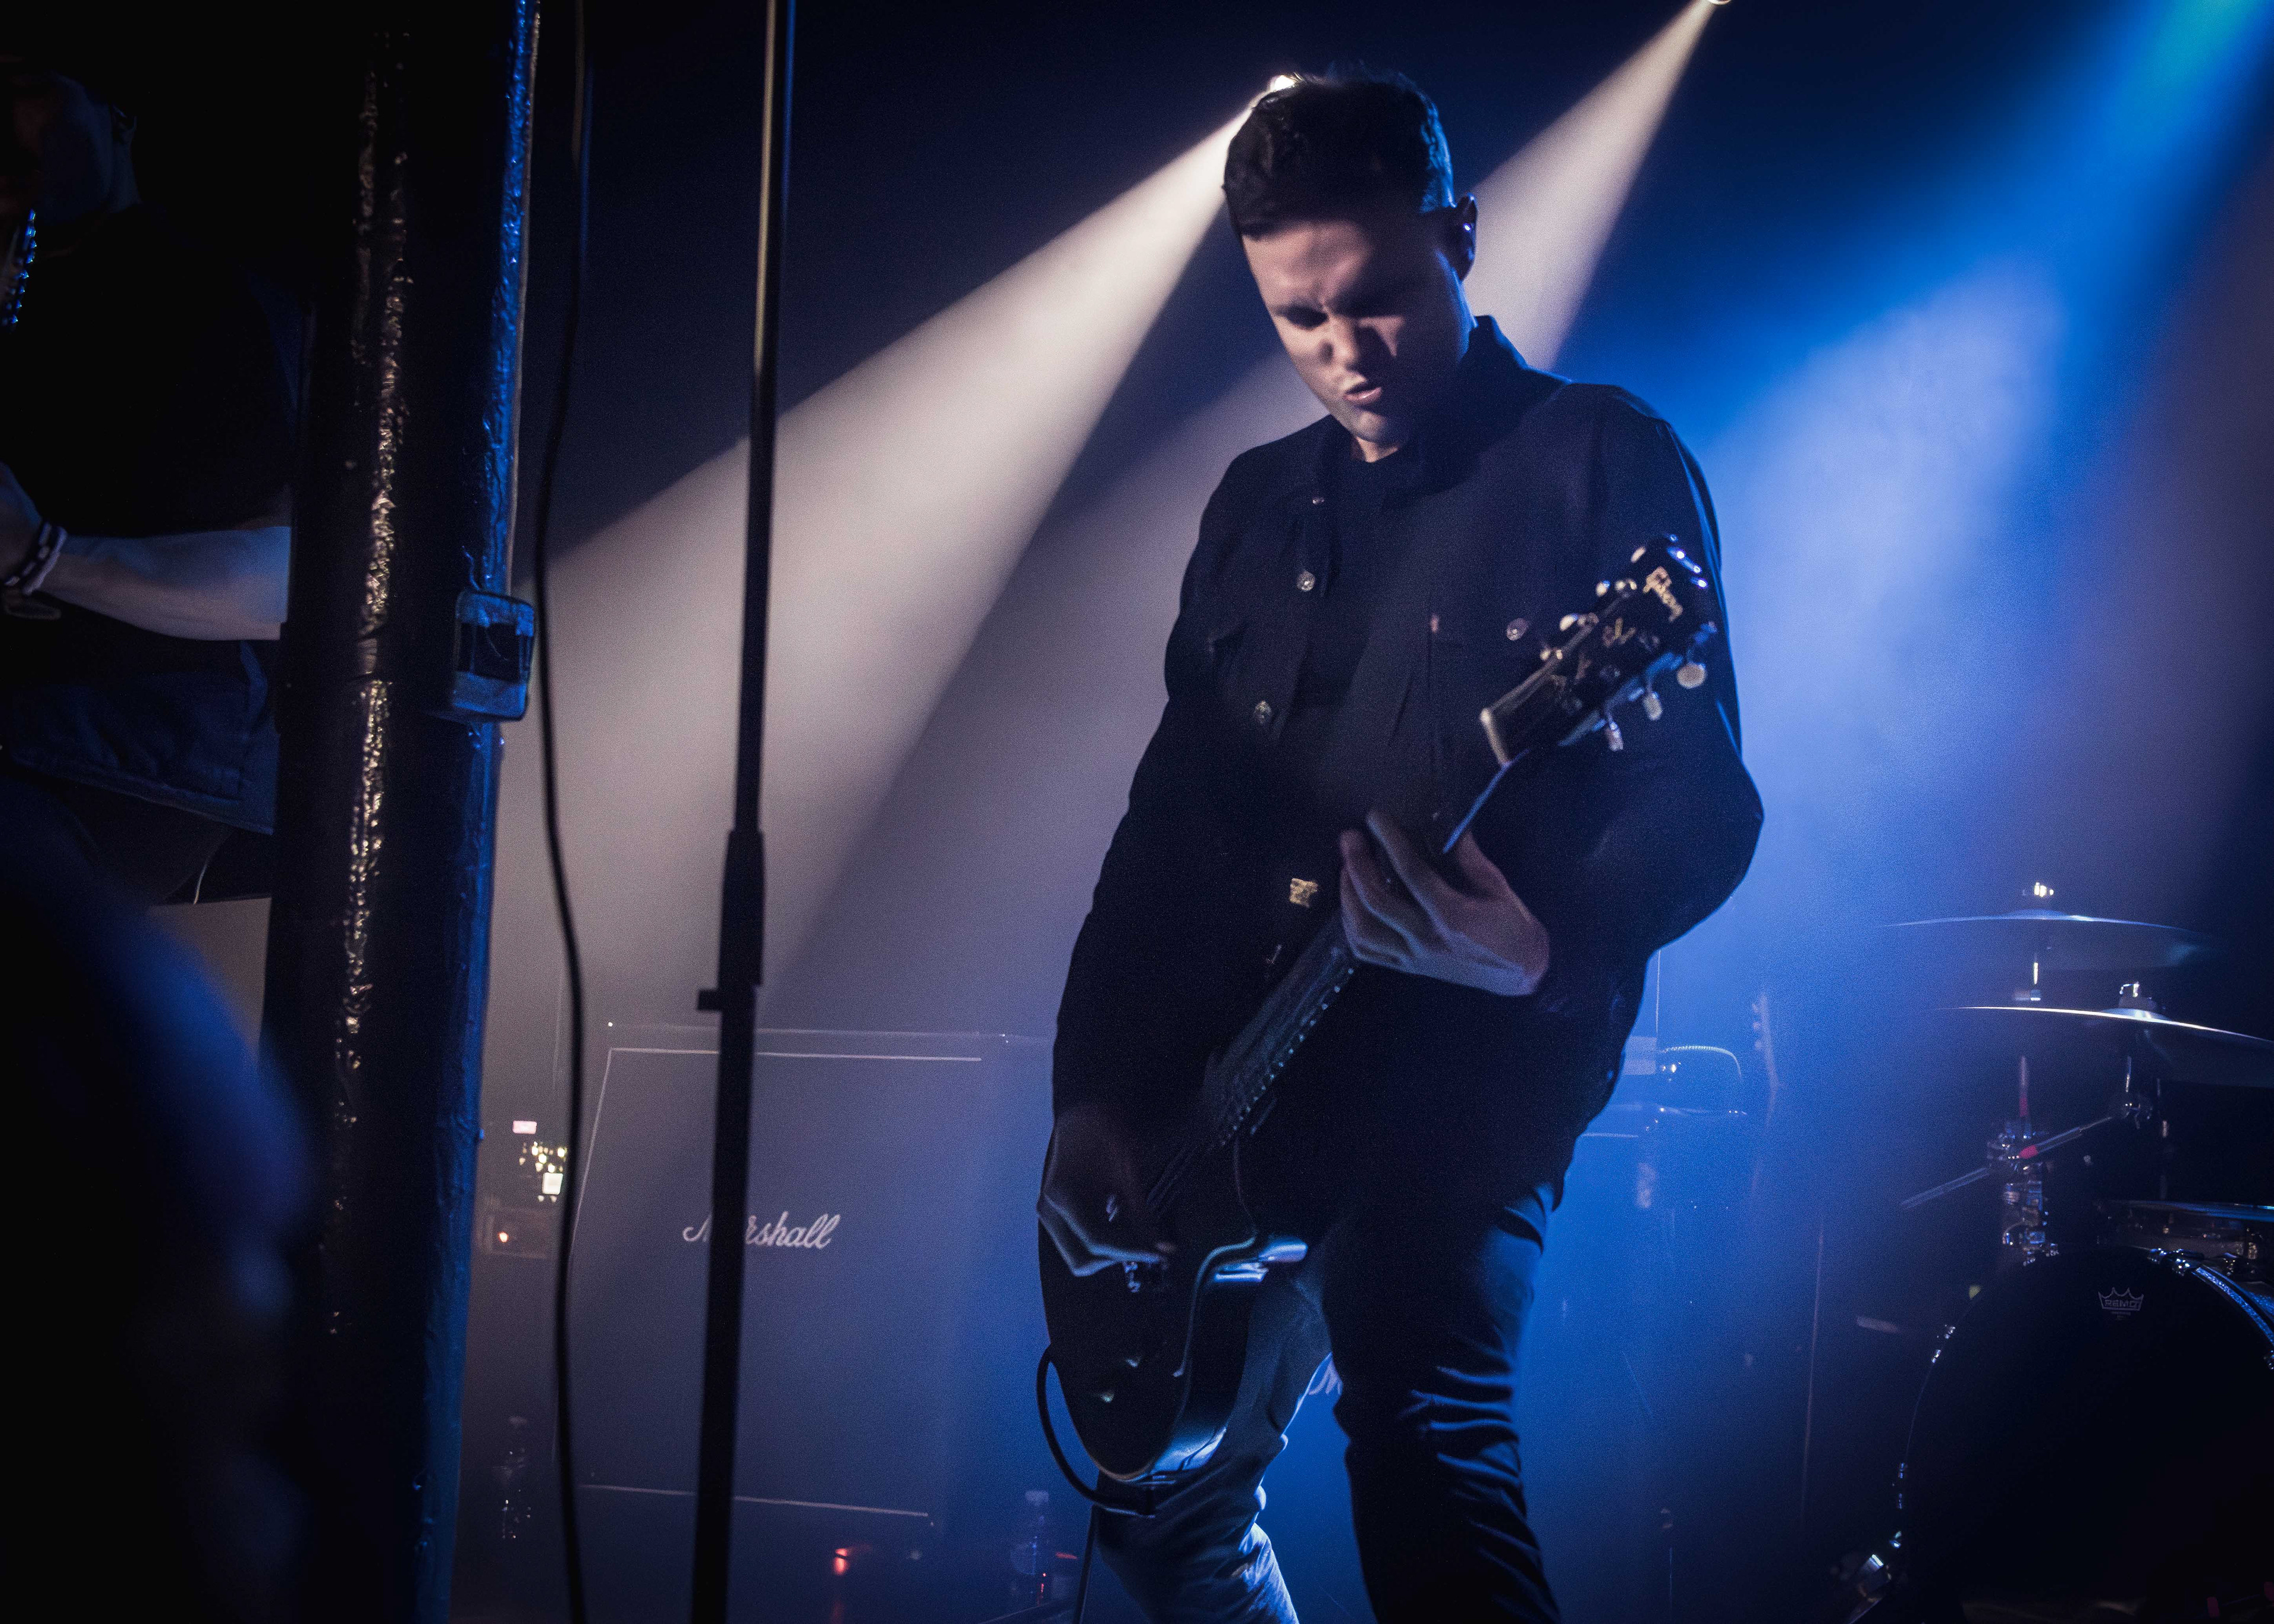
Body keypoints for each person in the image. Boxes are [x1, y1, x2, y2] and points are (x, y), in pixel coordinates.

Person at [1037, 72, 1762, 1621]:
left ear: (1461, 236)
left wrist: (1544, 947)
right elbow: (1165, 833)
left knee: (1423, 1430)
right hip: (1240, 1080)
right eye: (1297, 318)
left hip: (1464, 1078)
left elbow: (1705, 806)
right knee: (1156, 1501)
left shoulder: (1595, 456)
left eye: (1376, 299)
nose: (1344, 351)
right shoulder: (1256, 505)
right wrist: (1093, 1097)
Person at [0, 45, 296, 905]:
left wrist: (45, 557)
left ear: (118, 115)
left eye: (26, 89)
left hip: (116, 757)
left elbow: (291, 580)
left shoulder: (213, 302)